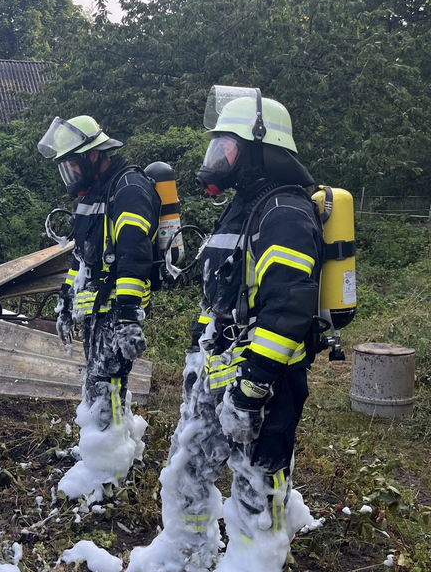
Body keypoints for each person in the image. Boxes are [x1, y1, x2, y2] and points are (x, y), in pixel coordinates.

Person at [127, 86, 320, 572]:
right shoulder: (243, 206)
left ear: (260, 150)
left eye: (227, 147)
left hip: (264, 383)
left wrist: (252, 389)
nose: (217, 158)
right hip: (217, 375)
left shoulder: (285, 213)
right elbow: (217, 295)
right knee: (188, 468)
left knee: (259, 483)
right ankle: (186, 553)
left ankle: (257, 561)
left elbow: (289, 308)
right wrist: (197, 354)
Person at [37, 115, 159, 500]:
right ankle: (100, 451)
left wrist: (128, 317)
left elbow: (135, 256)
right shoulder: (92, 195)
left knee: (109, 383)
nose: (70, 173)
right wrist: (65, 299)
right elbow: (82, 257)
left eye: (73, 164)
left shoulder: (129, 189)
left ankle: (110, 473)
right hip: (96, 310)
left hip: (117, 310)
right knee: (96, 381)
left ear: (94, 155)